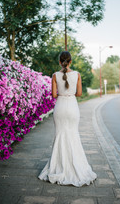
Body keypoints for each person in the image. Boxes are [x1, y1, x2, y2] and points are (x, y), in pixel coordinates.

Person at [38, 51, 97, 187]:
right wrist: (70, 92)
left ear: (60, 62)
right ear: (70, 62)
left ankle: (58, 167)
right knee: (73, 135)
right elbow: (80, 93)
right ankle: (76, 166)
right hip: (72, 106)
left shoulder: (54, 75)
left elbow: (53, 94)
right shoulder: (77, 74)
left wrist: (62, 91)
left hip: (60, 107)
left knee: (60, 135)